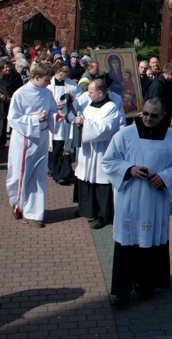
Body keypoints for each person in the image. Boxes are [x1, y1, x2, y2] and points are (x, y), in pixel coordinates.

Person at [102, 97, 172, 308]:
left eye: (153, 115)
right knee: (127, 243)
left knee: (151, 243)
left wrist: (166, 177)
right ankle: (122, 290)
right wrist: (129, 169)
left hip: (155, 200)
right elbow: (108, 161)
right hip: (130, 199)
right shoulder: (125, 134)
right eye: (145, 114)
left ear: (163, 116)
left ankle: (147, 285)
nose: (148, 119)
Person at [6, 63, 61, 228]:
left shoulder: (47, 93)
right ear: (36, 77)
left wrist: (55, 117)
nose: (49, 82)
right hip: (25, 139)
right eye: (46, 79)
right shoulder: (20, 94)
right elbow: (13, 119)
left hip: (42, 138)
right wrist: (34, 119)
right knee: (20, 174)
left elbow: (51, 111)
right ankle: (17, 203)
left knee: (38, 175)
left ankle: (34, 213)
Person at [73, 79, 122, 230]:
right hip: (87, 150)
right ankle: (87, 210)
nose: (88, 94)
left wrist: (83, 124)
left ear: (100, 93)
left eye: (91, 92)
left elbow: (104, 129)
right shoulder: (89, 105)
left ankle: (103, 216)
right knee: (86, 179)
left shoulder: (111, 108)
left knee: (101, 182)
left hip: (102, 150)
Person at [48, 62, 82, 185]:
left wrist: (73, 100)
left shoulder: (72, 84)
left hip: (66, 121)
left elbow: (80, 98)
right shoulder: (49, 85)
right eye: (65, 71)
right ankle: (55, 171)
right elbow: (42, 102)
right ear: (58, 72)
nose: (68, 73)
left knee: (66, 148)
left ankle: (65, 173)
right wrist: (54, 105)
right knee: (56, 148)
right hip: (54, 121)